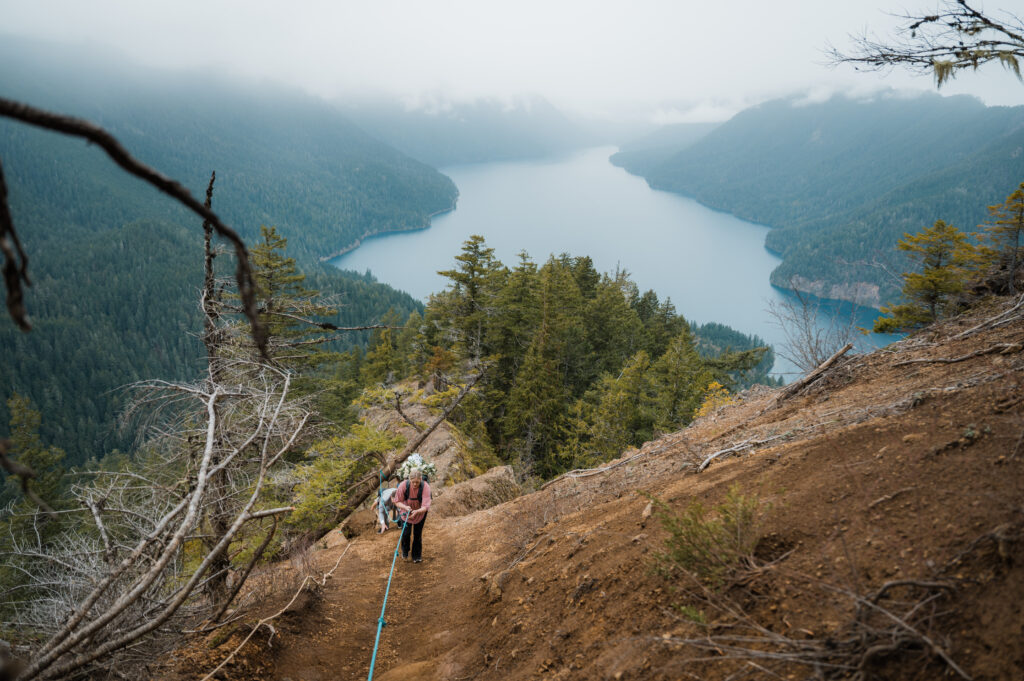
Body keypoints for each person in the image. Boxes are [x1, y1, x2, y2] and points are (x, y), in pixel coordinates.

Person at [393, 468, 431, 563]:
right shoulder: (403, 486)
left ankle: (416, 556)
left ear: (421, 479)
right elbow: (397, 501)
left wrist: (417, 511)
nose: (415, 484)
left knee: (417, 534)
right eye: (413, 482)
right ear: (409, 480)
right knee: (406, 533)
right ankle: (405, 552)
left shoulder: (425, 487)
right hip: (405, 512)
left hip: (420, 512)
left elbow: (426, 506)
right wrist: (405, 507)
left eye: (417, 482)